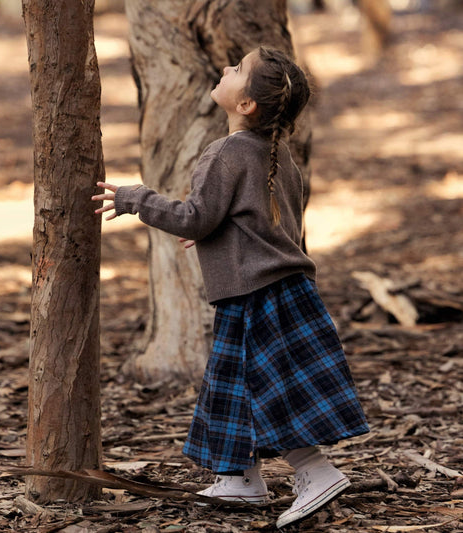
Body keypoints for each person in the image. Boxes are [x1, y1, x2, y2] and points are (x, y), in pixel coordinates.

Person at [92, 46, 369, 529]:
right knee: (238, 385)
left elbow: (197, 215)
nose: (225, 68)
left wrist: (137, 198)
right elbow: (257, 223)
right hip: (286, 289)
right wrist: (213, 238)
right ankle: (242, 478)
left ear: (246, 105)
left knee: (269, 386)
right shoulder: (277, 155)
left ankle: (314, 470)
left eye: (237, 69)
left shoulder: (226, 153)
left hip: (257, 295)